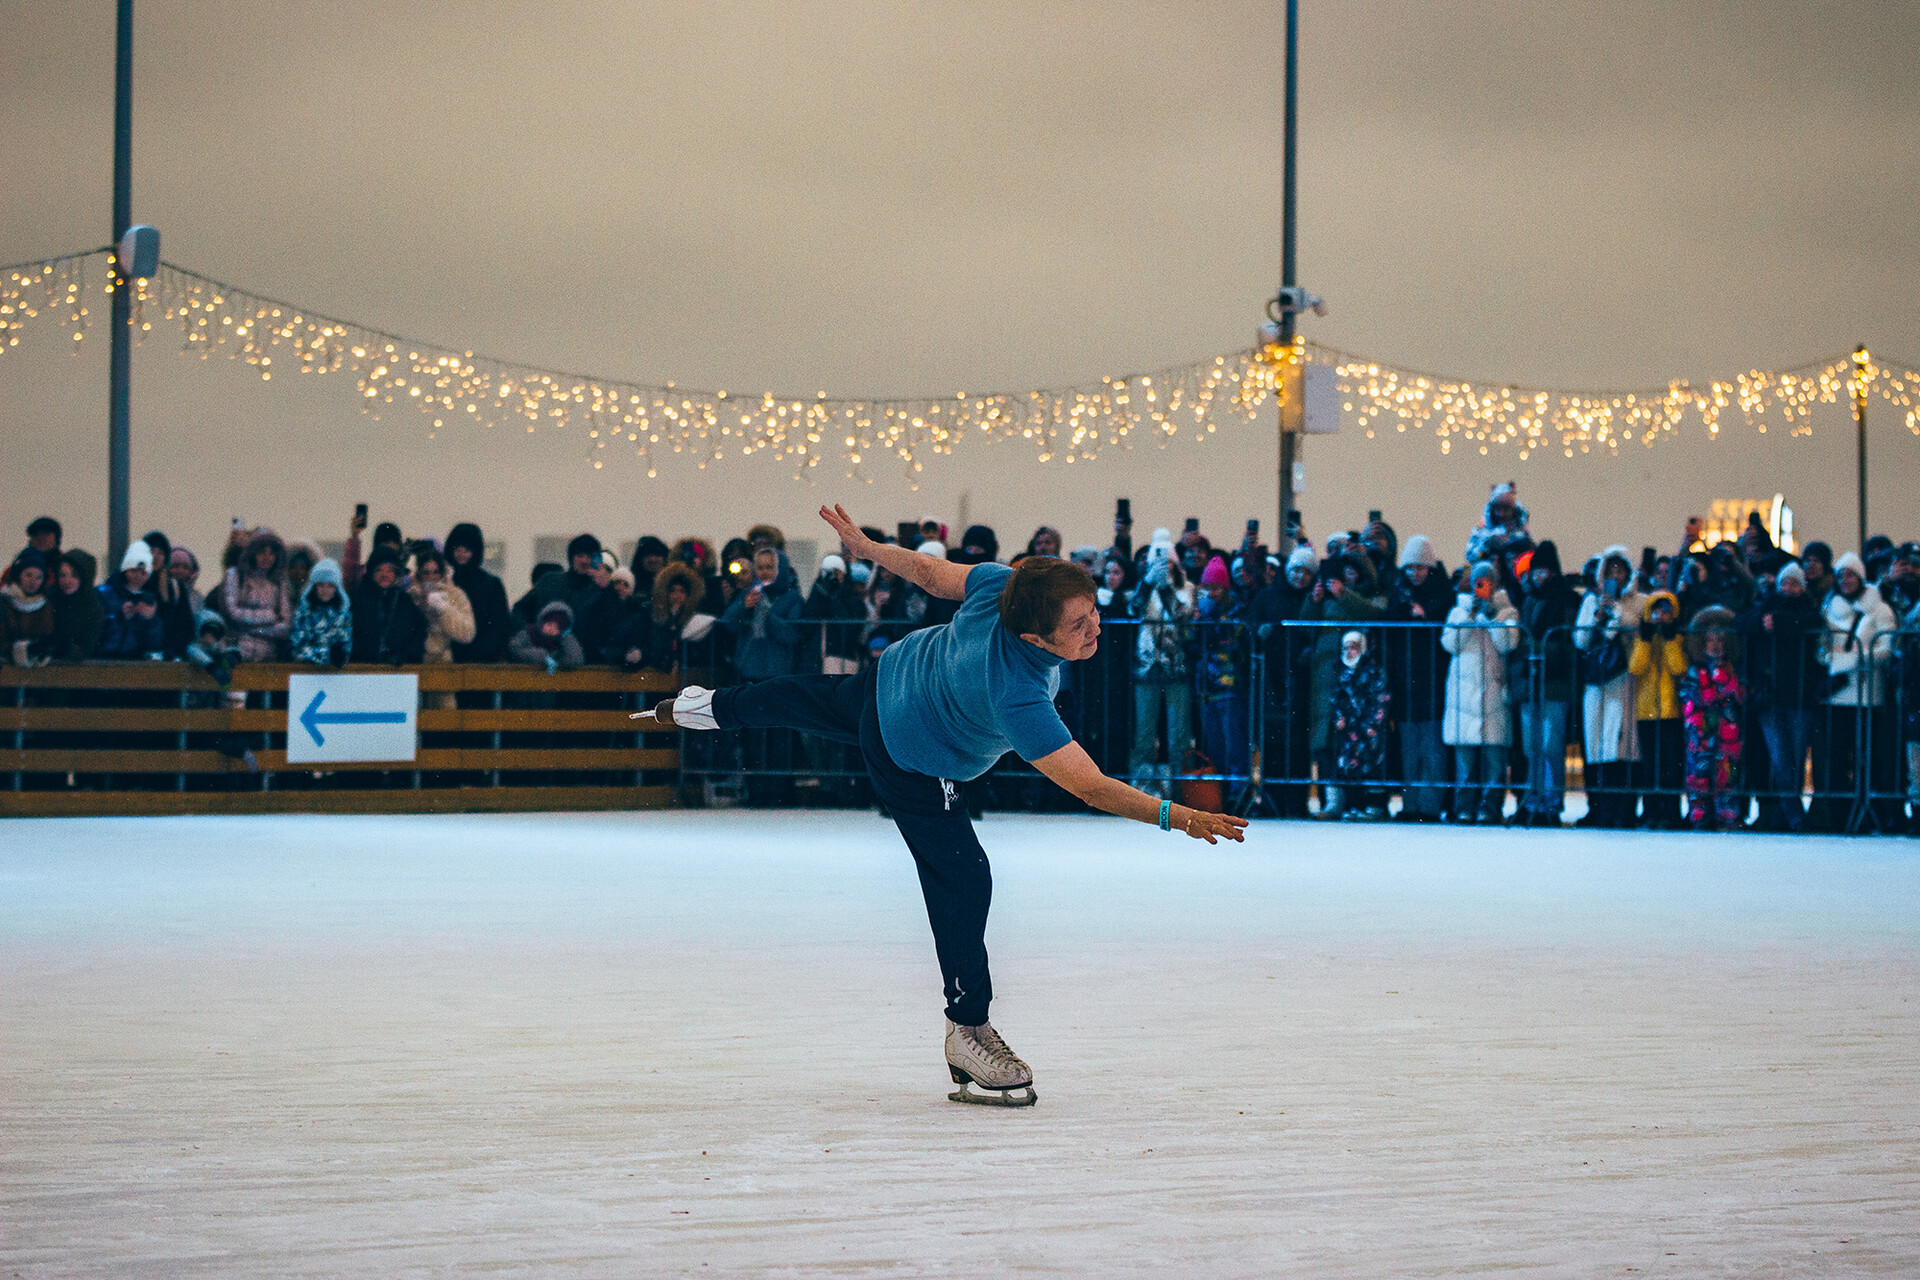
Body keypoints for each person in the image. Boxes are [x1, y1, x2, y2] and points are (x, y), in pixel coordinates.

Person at [635, 504, 1245, 1107]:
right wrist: (1178, 815)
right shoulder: (1019, 694)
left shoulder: (1001, 584)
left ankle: (703, 708)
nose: (1095, 629)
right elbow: (1090, 786)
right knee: (962, 875)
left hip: (890, 678)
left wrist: (869, 548)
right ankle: (967, 1028)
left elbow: (931, 574)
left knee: (799, 700)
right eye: (1080, 625)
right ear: (1035, 637)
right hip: (912, 753)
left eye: (1091, 614)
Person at [1819, 551, 1899, 832]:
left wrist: (1850, 659)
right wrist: (1831, 658)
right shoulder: (1830, 607)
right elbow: (1822, 647)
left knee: (1870, 759)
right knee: (1838, 758)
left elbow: (1887, 649)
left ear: (1861, 577)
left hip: (1868, 695)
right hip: (1838, 696)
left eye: (1850, 574)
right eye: (1841, 575)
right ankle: (1841, 817)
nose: (1845, 580)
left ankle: (1873, 814)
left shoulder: (1879, 609)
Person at [1742, 563, 1825, 830]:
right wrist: (1762, 622)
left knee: (1796, 760)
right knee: (1781, 760)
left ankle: (1790, 815)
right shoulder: (1765, 608)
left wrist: (1779, 624)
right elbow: (1741, 620)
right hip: (1771, 699)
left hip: (1800, 699)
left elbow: (1813, 622)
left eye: (1794, 584)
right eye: (1784, 584)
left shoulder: (1809, 612)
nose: (1788, 589)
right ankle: (1794, 816)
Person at [1441, 561, 1520, 823]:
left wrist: (1492, 615)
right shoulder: (1458, 612)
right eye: (1478, 582)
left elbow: (1508, 643)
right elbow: (1451, 643)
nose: (1483, 587)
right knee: (1465, 762)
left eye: (1488, 582)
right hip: (1463, 697)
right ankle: (1464, 807)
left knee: (1494, 760)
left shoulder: (1508, 612)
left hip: (1493, 694)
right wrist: (1471, 615)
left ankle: (1490, 807)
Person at [1384, 535, 1452, 821]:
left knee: (1432, 748)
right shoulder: (1398, 594)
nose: (1415, 574)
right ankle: (1411, 803)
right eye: (1410, 568)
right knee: (1410, 747)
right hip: (1406, 682)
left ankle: (1431, 805)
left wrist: (1426, 616)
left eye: (1420, 568)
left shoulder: (1441, 595)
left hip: (1433, 681)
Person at [1574, 546, 1644, 827]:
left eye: (1620, 569)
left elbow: (1635, 628)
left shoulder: (1638, 601)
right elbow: (1580, 640)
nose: (1615, 574)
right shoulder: (1591, 601)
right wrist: (1597, 617)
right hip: (1596, 680)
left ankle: (1623, 810)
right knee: (1596, 744)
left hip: (1624, 679)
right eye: (1610, 570)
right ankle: (1598, 808)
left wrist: (1616, 612)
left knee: (1622, 744)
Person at [1514, 541, 1579, 827]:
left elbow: (1566, 641)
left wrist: (1539, 650)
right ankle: (1533, 800)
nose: (1540, 576)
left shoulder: (1566, 600)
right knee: (1531, 746)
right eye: (1536, 571)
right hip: (1532, 683)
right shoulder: (1529, 600)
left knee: (1551, 745)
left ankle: (1551, 801)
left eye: (1544, 571)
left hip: (1554, 683)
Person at [1127, 529, 1196, 797]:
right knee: (1144, 731)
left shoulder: (1186, 588)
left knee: (1178, 733)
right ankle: (1142, 787)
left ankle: (1176, 788)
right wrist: (1147, 583)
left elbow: (1181, 615)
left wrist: (1165, 586)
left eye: (1167, 560)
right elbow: (1134, 608)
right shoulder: (1144, 585)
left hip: (1175, 665)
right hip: (1147, 666)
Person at [1680, 606, 1745, 830]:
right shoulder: (1694, 671)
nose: (1716, 643)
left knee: (1726, 775)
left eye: (1721, 636)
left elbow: (1739, 695)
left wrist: (1722, 675)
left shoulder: (1733, 668)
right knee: (1698, 775)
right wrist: (1697, 725)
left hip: (1728, 733)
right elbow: (1689, 698)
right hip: (1701, 733)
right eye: (1710, 637)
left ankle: (1727, 817)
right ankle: (1699, 816)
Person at [1629, 590, 1689, 829]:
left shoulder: (1677, 638)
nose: (1661, 616)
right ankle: (1651, 811)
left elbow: (1678, 667)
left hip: (1671, 711)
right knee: (1650, 765)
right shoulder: (1642, 637)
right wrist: (1644, 639)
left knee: (1671, 764)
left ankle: (1671, 812)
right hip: (1646, 712)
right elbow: (1636, 666)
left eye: (1666, 611)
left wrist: (1669, 638)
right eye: (1656, 611)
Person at [1192, 556, 1250, 787]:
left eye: (1215, 588)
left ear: (1225, 587)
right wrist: (1196, 623)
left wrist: (1210, 619)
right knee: (1214, 746)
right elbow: (1193, 643)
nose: (1212, 593)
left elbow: (1231, 640)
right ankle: (1220, 793)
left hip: (1230, 686)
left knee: (1234, 743)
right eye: (1208, 589)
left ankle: (1238, 791)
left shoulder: (1237, 610)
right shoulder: (1203, 612)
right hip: (1207, 686)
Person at [1331, 630, 1391, 819]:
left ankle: (1375, 805)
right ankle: (1353, 805)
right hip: (1350, 730)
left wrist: (1374, 723)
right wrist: (1339, 717)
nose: (1350, 652)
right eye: (1346, 647)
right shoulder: (1342, 673)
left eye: (1354, 647)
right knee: (1349, 767)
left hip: (1369, 729)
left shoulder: (1374, 672)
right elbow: (1336, 699)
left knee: (1372, 765)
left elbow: (1381, 699)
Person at [222, 528, 292, 663]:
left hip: (268, 657)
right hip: (238, 654)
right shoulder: (235, 575)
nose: (267, 557)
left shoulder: (277, 583)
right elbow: (233, 613)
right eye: (262, 552)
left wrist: (253, 630)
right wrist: (271, 616)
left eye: (271, 553)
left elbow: (285, 625)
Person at [443, 523, 511, 663]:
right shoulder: (446, 582)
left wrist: (485, 652)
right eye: (457, 549)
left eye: (467, 549)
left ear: (475, 551)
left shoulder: (491, 585)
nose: (461, 554)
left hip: (482, 660)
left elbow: (499, 625)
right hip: (447, 658)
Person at [349, 546, 428, 664]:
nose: (384, 575)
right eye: (379, 570)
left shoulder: (405, 601)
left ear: (396, 574)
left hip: (398, 672)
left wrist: (404, 657)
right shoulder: (357, 600)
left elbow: (419, 632)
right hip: (363, 670)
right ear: (371, 572)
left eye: (390, 570)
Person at [96, 542, 167, 659]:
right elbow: (99, 633)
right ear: (125, 570)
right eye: (134, 571)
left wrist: (151, 620)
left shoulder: (149, 600)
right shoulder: (105, 594)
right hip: (104, 660)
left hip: (134, 664)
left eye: (143, 572)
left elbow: (155, 644)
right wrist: (120, 617)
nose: (138, 576)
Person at [291, 558, 353, 666]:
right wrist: (326, 656)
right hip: (306, 671)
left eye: (330, 586)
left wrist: (340, 656)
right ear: (314, 587)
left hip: (333, 674)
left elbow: (345, 643)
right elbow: (298, 644)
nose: (325, 590)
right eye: (321, 585)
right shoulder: (304, 612)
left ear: (337, 588)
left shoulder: (343, 615)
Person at [47, 550, 105, 661]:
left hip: (74, 671)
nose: (67, 581)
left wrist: (63, 646)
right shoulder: (48, 600)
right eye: (62, 575)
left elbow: (87, 648)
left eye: (74, 575)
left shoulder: (93, 609)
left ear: (84, 578)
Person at [2, 550, 56, 664]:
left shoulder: (45, 606)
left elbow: (47, 632)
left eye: (39, 577)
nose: (33, 581)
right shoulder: (5, 601)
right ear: (18, 575)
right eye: (28, 575)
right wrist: (23, 649)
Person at [508, 600, 585, 672]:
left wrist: (567, 636)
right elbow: (513, 649)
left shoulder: (562, 642)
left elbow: (575, 660)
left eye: (557, 628)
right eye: (549, 624)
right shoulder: (528, 633)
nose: (551, 629)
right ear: (542, 621)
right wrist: (538, 655)